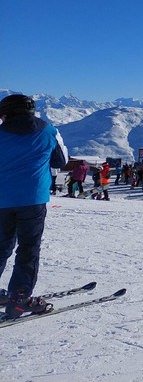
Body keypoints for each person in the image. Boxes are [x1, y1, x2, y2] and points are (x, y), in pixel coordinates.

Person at [0, 94, 68, 318]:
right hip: (32, 199)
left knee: (1, 246)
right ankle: (19, 298)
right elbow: (61, 161)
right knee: (28, 248)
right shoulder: (48, 131)